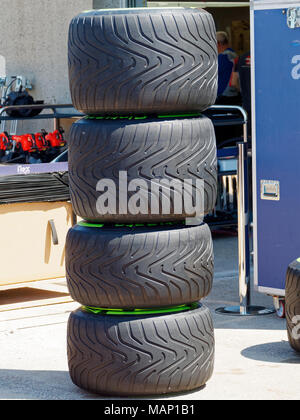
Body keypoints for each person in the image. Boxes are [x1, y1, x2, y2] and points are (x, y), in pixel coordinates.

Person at [215, 31, 241, 105]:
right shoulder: (235, 55)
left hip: (223, 95)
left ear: (218, 43)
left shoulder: (223, 57)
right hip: (234, 95)